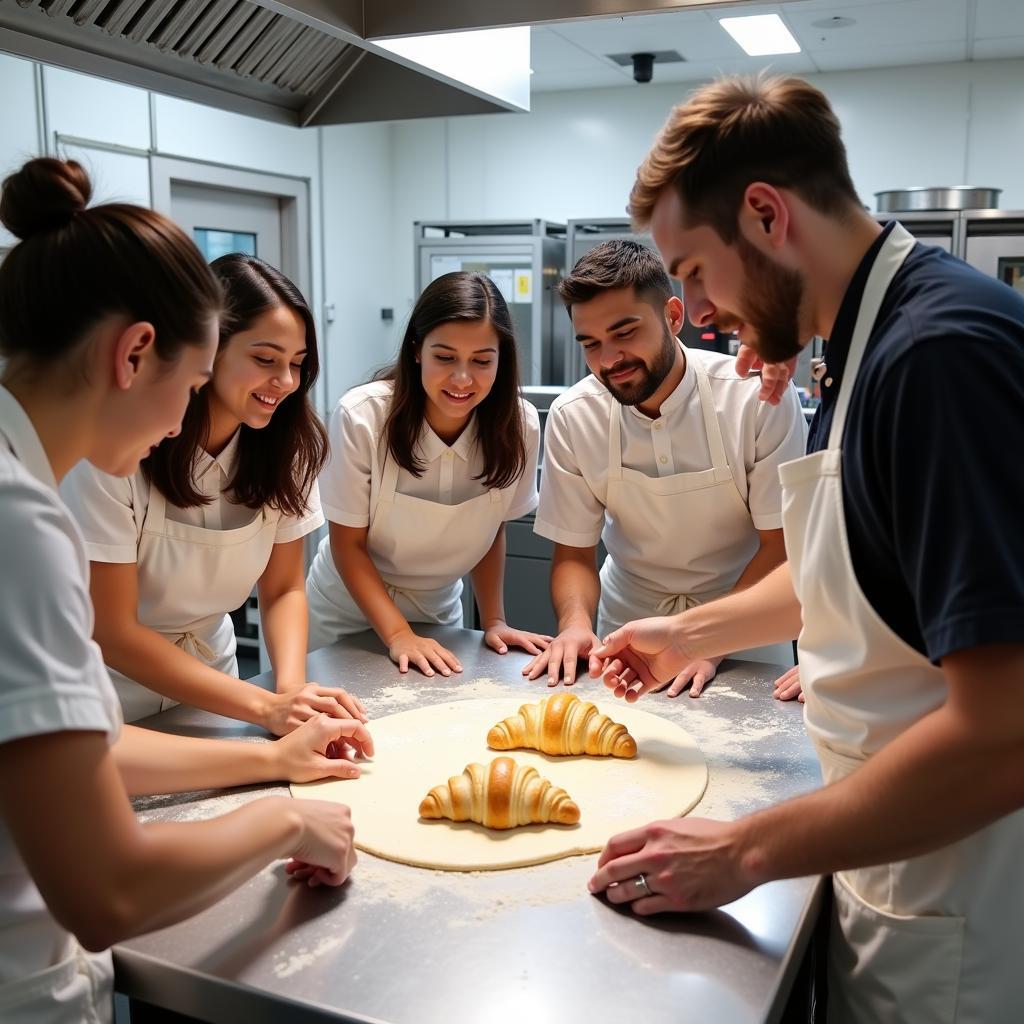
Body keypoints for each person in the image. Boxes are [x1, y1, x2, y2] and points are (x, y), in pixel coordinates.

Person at [587, 75, 1024, 1022]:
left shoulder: (939, 358)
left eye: (696, 270)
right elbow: (856, 573)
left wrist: (741, 852)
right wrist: (689, 631)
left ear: (765, 214)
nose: (696, 314)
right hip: (888, 853)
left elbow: (1005, 733)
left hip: (963, 893)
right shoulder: (860, 344)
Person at [0, 157, 373, 1024]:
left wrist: (271, 757)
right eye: (194, 379)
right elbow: (107, 891)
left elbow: (79, 747)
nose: (187, 414)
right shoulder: (22, 522)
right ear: (135, 353)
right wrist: (286, 822)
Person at [62, 253, 364, 730]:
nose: (285, 381)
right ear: (206, 350)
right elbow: (115, 629)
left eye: (298, 364)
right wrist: (264, 706)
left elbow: (283, 586)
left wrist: (289, 690)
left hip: (214, 685)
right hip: (105, 690)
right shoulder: (119, 450)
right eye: (265, 359)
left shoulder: (289, 448)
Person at [523, 240, 806, 694]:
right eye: (591, 344)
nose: (609, 360)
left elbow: (782, 546)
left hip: (745, 635)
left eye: (625, 332)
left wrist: (705, 642)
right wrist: (575, 624)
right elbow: (574, 553)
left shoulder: (753, 398)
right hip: (629, 635)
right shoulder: (574, 416)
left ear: (673, 317)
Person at [306, 272, 550, 677]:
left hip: (437, 615)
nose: (462, 379)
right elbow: (347, 545)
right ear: (417, 350)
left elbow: (492, 528)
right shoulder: (363, 417)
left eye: (481, 361)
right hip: (344, 612)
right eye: (445, 357)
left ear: (501, 359)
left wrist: (495, 621)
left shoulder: (518, 425)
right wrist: (398, 634)